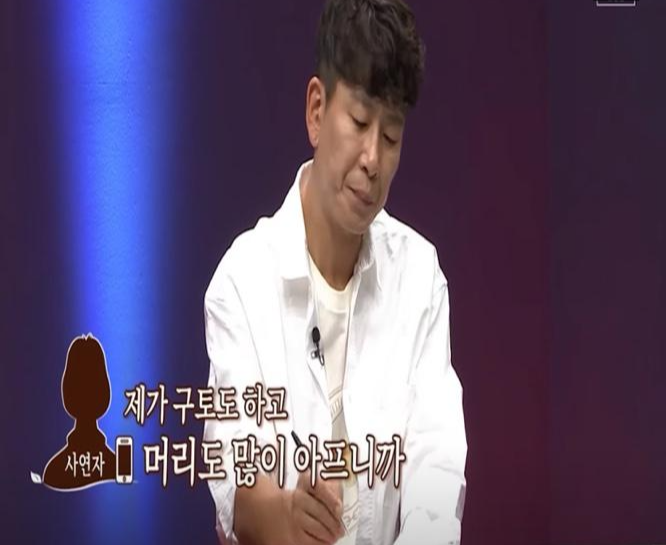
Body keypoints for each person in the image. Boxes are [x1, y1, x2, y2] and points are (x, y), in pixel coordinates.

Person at [203, 0, 467, 544]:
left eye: (391, 137)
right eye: (360, 123)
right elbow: (236, 486)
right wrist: (285, 516)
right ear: (317, 111)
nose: (372, 159)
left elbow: (436, 470)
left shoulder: (418, 278)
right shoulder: (242, 282)